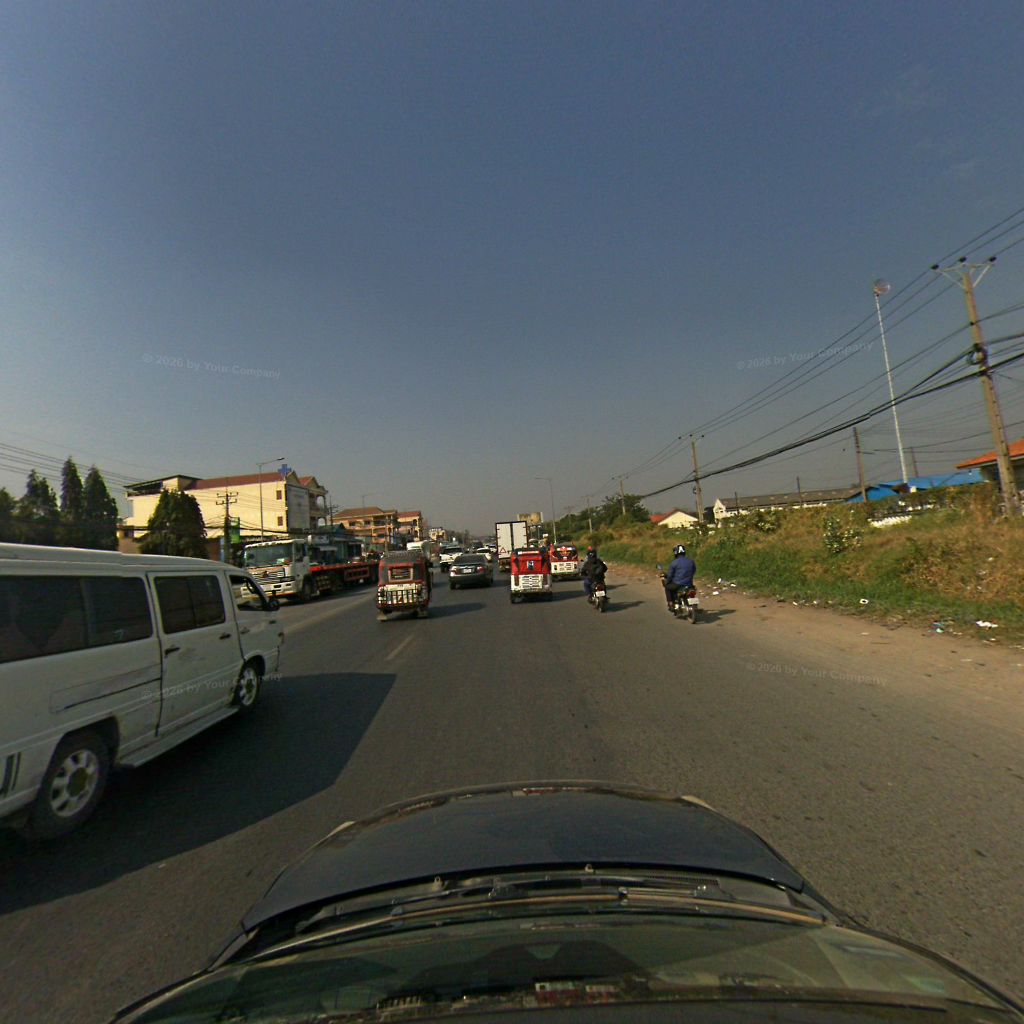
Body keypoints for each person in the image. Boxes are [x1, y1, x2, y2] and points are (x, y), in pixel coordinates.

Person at [663, 544, 696, 611]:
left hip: (678, 584)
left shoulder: (674, 563)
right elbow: (693, 571)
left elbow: (670, 576)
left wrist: (667, 582)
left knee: (667, 587)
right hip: (689, 584)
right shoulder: (691, 561)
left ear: (676, 553)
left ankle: (671, 603)